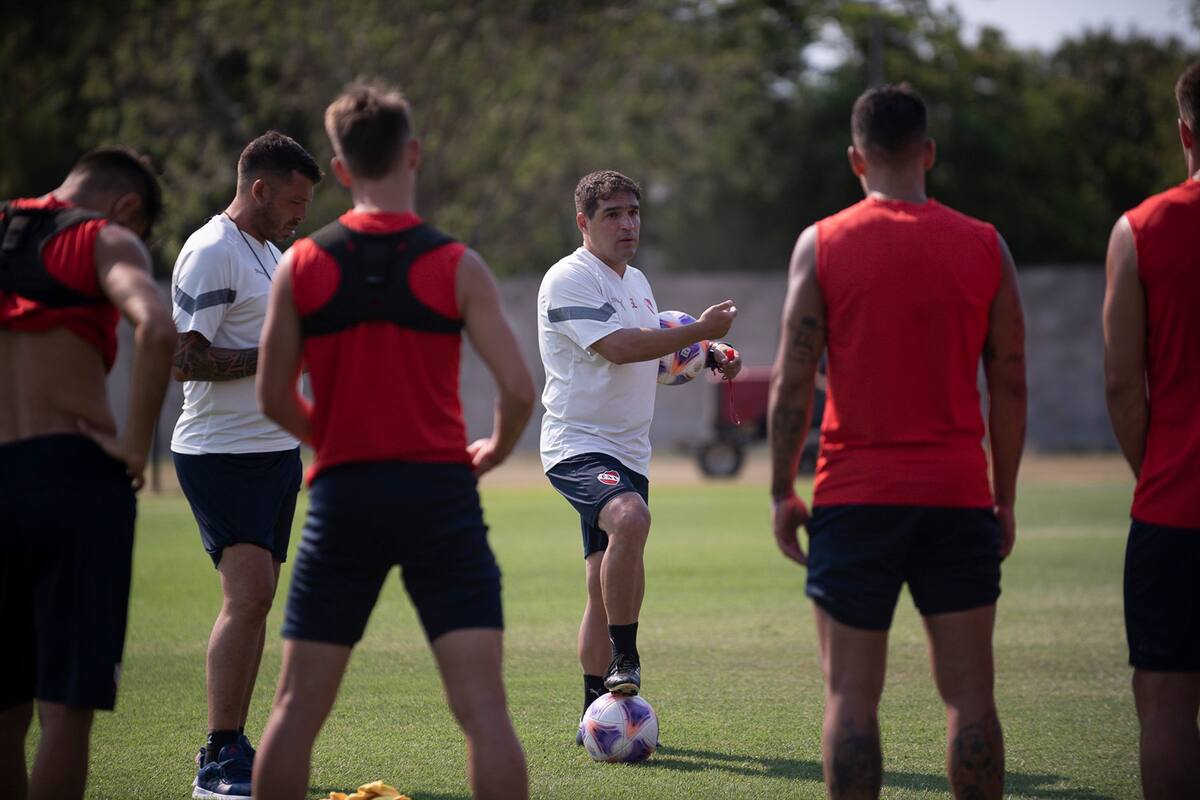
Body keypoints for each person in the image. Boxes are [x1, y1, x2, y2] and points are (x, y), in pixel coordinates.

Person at [253, 81, 534, 800]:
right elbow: (518, 391)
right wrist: (492, 452)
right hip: (440, 494)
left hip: (344, 497)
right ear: (413, 153)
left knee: (293, 711)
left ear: (341, 169)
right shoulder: (457, 265)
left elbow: (270, 395)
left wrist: (338, 440)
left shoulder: (302, 265)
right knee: (484, 712)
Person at [768, 84, 1026, 800]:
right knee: (971, 699)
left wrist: (781, 490)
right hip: (957, 496)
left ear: (856, 159)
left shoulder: (821, 244)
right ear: (929, 152)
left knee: (851, 698)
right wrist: (1002, 498)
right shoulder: (986, 245)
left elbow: (792, 382)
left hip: (855, 499)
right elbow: (1010, 383)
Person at [537, 170, 741, 735]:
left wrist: (709, 351)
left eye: (633, 212)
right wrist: (697, 328)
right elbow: (622, 346)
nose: (628, 224)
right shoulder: (568, 279)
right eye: (612, 215)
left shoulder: (637, 281)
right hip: (576, 446)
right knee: (631, 517)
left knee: (602, 582)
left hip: (628, 451)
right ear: (584, 223)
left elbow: (657, 352)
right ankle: (626, 659)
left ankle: (591, 717)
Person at [0, 147, 175, 800]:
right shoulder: (104, 239)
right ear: (125, 206)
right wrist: (135, 448)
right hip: (73, 476)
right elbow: (156, 328)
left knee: (5, 713)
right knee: (64, 712)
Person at [169, 130, 322, 800]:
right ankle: (218, 758)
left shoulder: (265, 250)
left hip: (271, 451)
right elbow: (184, 358)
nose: (301, 214)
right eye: (293, 200)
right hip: (220, 451)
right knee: (250, 593)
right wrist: (279, 358)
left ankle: (233, 744)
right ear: (257, 188)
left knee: (257, 602)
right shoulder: (212, 250)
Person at [1103, 60, 1200, 800]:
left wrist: (1159, 469)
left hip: (1176, 505)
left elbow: (1120, 385)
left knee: (1166, 705)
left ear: (1183, 132)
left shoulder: (1142, 229)